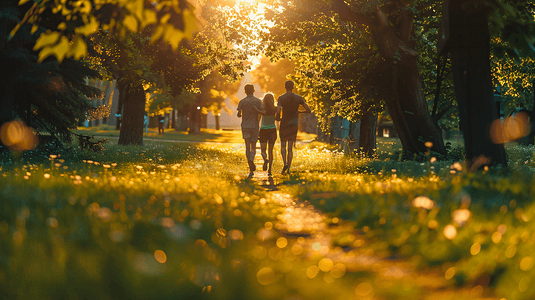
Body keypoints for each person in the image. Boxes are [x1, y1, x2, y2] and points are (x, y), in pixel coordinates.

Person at [275, 80, 311, 175]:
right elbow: (308, 110)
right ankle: (289, 168)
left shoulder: (281, 98)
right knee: (290, 147)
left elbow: (278, 110)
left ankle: (285, 163)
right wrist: (300, 112)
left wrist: (277, 116)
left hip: (284, 124)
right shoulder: (299, 98)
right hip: (293, 125)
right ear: (293, 87)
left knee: (283, 146)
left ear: (285, 87)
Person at [237, 84, 263, 177]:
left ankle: (250, 165)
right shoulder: (258, 101)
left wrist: (241, 114)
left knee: (247, 146)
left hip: (245, 126)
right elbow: (261, 112)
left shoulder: (242, 102)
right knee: (253, 146)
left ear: (245, 91)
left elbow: (239, 114)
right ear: (254, 90)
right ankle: (252, 159)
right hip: (254, 126)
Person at [254, 93, 278, 176]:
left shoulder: (262, 109)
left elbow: (257, 121)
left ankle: (265, 159)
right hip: (272, 131)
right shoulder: (275, 109)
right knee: (270, 151)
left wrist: (257, 132)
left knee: (263, 150)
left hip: (263, 131)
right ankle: (270, 169)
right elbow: (278, 118)